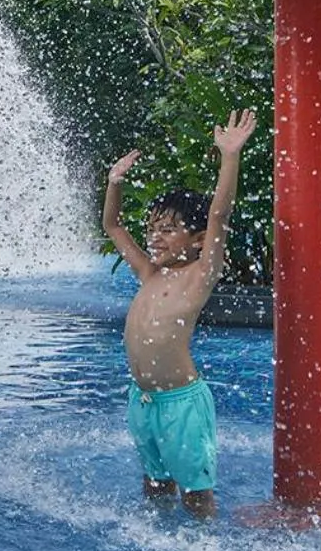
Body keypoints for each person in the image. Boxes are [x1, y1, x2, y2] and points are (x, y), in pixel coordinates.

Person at [102, 108, 257, 520]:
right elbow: (113, 226)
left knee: (195, 492)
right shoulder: (149, 273)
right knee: (155, 483)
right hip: (143, 399)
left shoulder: (199, 275)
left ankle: (205, 548)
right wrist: (114, 181)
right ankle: (160, 540)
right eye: (153, 228)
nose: (155, 237)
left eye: (168, 230)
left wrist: (230, 156)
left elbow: (220, 214)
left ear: (198, 238)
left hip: (182, 403)